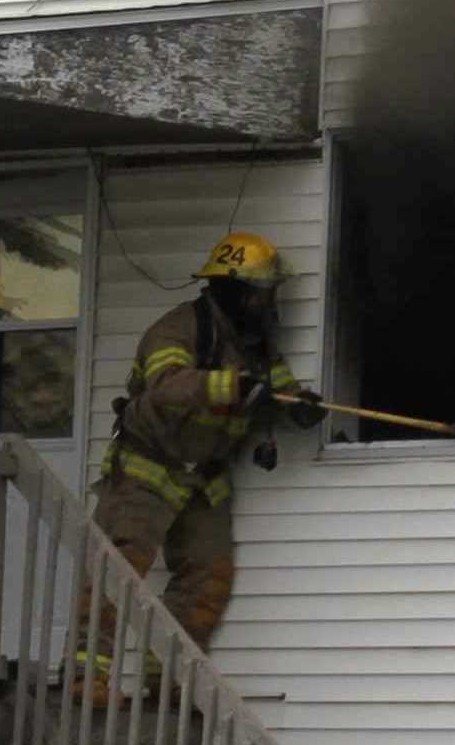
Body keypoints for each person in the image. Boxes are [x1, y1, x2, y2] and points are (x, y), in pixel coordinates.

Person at [78, 233, 319, 688]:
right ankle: (84, 678)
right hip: (147, 470)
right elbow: (167, 386)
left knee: (208, 579)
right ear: (236, 289)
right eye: (263, 291)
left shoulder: (256, 343)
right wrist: (230, 386)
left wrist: (299, 405)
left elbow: (277, 386)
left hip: (205, 478)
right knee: (118, 571)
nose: (269, 301)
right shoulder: (177, 330)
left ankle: (165, 683)